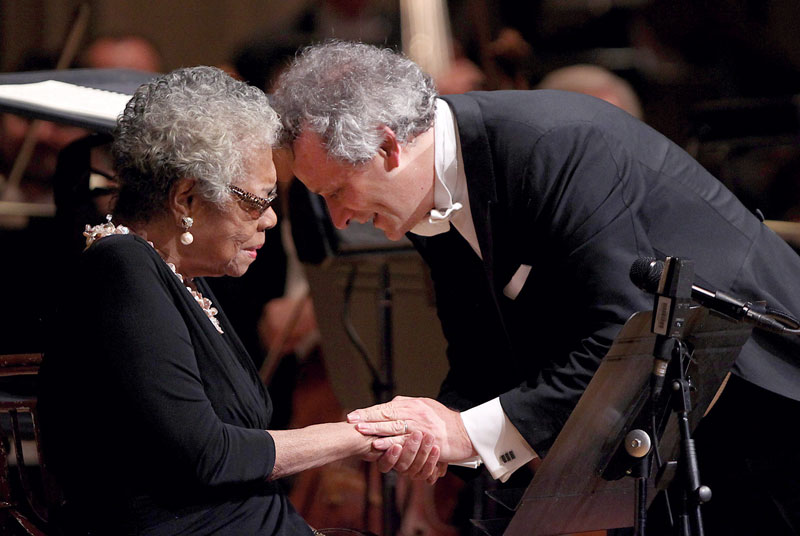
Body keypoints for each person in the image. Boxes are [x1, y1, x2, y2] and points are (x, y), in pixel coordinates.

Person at [270, 41, 800, 534]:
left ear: (389, 147)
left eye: (337, 191)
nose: (339, 219)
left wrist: (465, 433)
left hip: (760, 393)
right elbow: (482, 351)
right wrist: (437, 432)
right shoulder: (423, 195)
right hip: (670, 420)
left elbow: (624, 334)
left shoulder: (555, 146)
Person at [38, 66, 436, 536]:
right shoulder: (122, 266)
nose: (269, 219)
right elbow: (209, 455)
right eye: (256, 201)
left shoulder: (176, 272)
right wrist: (360, 435)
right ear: (185, 198)